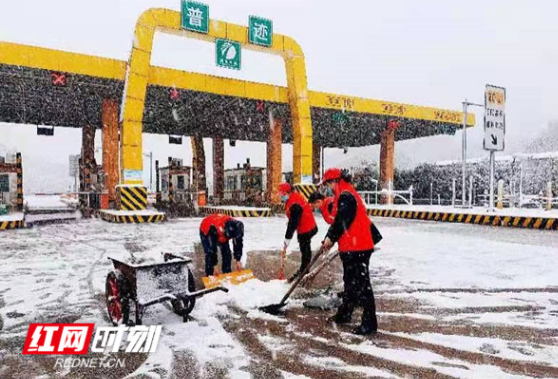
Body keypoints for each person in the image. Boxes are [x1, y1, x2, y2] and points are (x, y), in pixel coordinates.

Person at [321, 168, 378, 335]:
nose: (329, 188)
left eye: (328, 184)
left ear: (334, 181)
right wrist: (328, 238)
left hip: (358, 246)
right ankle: (345, 313)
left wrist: (331, 238)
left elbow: (342, 220)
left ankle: (369, 323)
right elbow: (339, 221)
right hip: (352, 246)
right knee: (350, 282)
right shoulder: (344, 193)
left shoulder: (346, 194)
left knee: (362, 285)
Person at [278, 183, 318, 282]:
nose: (281, 196)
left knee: (304, 247)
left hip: (307, 228)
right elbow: (294, 218)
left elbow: (293, 223)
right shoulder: (293, 198)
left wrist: (287, 240)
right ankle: (304, 270)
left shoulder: (294, 203)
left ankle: (304, 271)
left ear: (288, 192)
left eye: (282, 194)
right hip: (308, 226)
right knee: (305, 247)